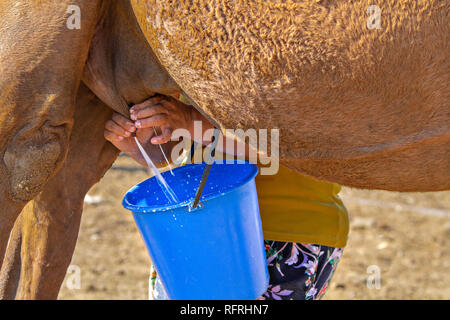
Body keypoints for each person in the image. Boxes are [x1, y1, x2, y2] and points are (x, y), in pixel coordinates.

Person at [104, 94, 349, 300]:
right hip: (198, 231)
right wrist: (143, 144)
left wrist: (190, 121)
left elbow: (284, 146)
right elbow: (189, 147)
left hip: (281, 233)